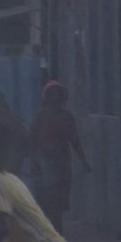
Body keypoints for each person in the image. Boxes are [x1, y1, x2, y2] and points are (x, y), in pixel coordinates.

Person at [26, 80, 87, 230]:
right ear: (46, 98)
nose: (55, 98)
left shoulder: (66, 116)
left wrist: (83, 159)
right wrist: (33, 160)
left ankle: (54, 226)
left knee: (60, 193)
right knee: (49, 193)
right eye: (51, 95)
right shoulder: (40, 116)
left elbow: (74, 139)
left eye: (57, 95)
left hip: (62, 158)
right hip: (45, 158)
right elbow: (32, 139)